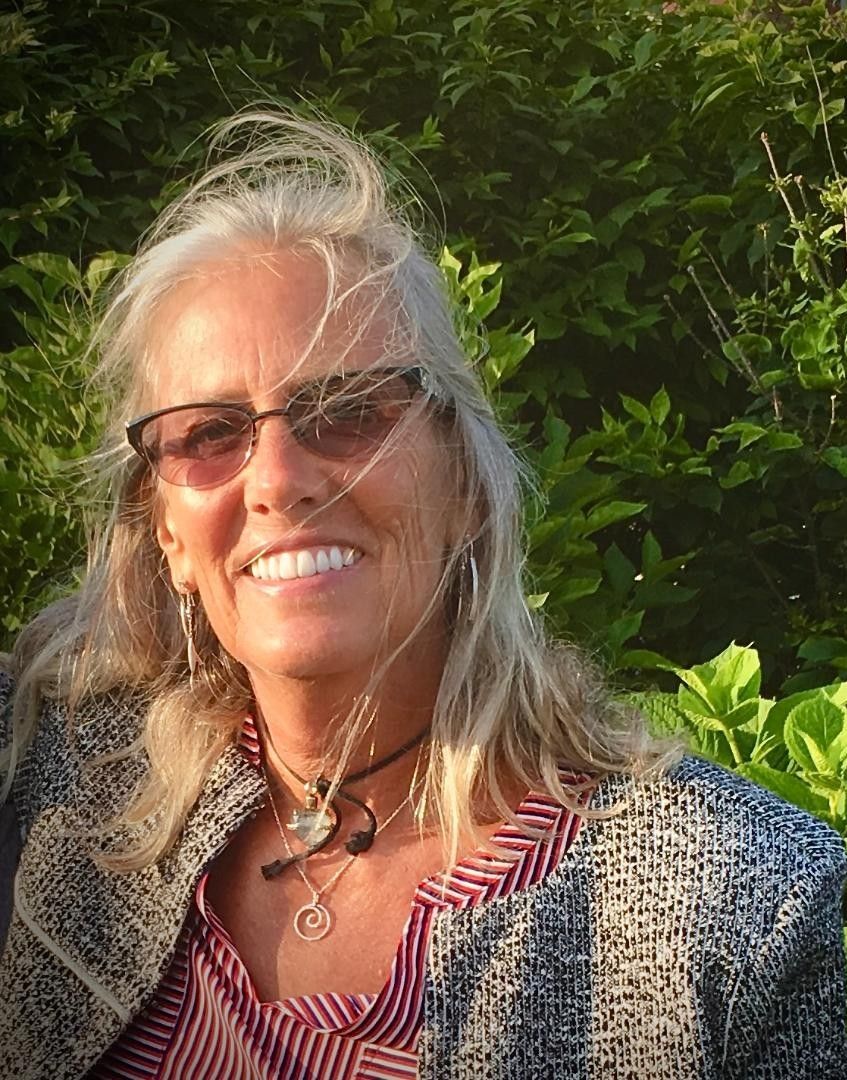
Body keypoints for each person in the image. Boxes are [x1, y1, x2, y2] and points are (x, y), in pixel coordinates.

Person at [0, 112, 844, 1080]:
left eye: (348, 410)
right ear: (167, 535)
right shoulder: (59, 782)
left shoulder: (730, 906)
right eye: (206, 433)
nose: (276, 478)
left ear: (462, 483)